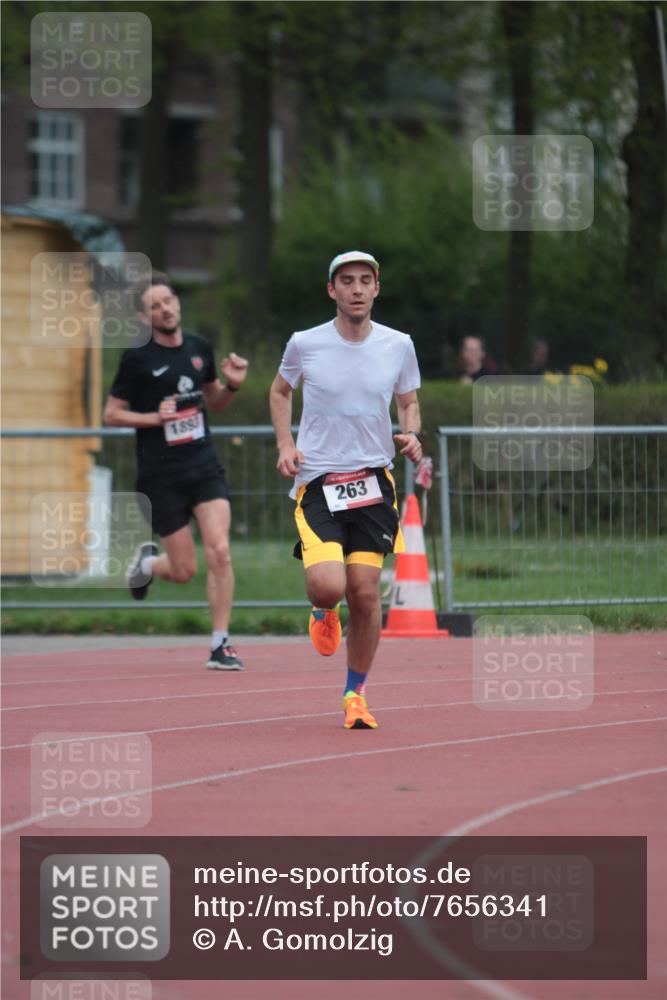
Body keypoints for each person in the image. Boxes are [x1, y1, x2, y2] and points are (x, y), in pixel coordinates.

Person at [269, 251, 423, 730]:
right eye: (346, 281)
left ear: (377, 288)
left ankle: (355, 694)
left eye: (364, 281)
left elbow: (409, 400)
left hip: (373, 483)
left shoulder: (398, 345)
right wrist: (286, 444)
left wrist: (411, 433)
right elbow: (279, 391)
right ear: (331, 290)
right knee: (330, 586)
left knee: (365, 594)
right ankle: (323, 610)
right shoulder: (305, 343)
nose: (356, 289)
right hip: (318, 481)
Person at [103, 272, 248, 670]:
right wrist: (155, 417)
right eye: (155, 306)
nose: (165, 309)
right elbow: (111, 414)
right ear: (143, 317)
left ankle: (221, 644)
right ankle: (147, 565)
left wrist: (232, 386)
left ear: (177, 303)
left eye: (168, 301)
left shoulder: (200, 348)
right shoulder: (137, 358)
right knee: (184, 571)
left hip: (203, 466)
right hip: (161, 475)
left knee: (220, 550)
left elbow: (214, 401)